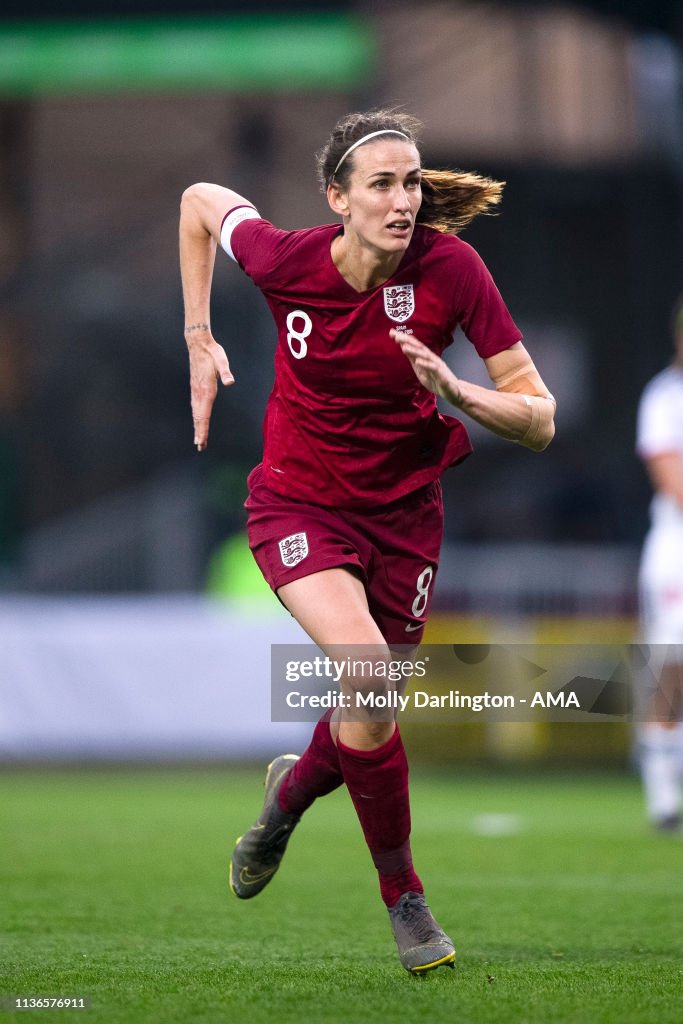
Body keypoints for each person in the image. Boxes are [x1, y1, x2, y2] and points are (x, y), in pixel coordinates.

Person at [179, 108, 555, 974]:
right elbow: (202, 199)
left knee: (370, 706)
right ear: (336, 198)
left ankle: (285, 801)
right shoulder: (284, 259)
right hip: (298, 504)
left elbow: (537, 419)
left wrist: (459, 391)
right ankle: (407, 902)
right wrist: (199, 336)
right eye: (382, 183)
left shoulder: (452, 269)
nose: (402, 199)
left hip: (404, 519)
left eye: (413, 181)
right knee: (368, 672)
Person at [636, 294, 683, 832]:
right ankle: (662, 789)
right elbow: (671, 481)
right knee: (672, 662)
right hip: (676, 547)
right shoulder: (666, 397)